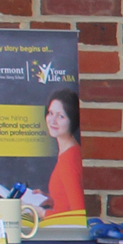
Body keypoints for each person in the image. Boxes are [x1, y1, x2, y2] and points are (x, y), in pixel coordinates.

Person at [40, 92, 87, 228]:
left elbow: (78, 215)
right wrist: (49, 198)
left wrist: (43, 213)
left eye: (60, 116)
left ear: (72, 120)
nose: (52, 120)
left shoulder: (69, 159)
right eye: (50, 113)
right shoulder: (68, 151)